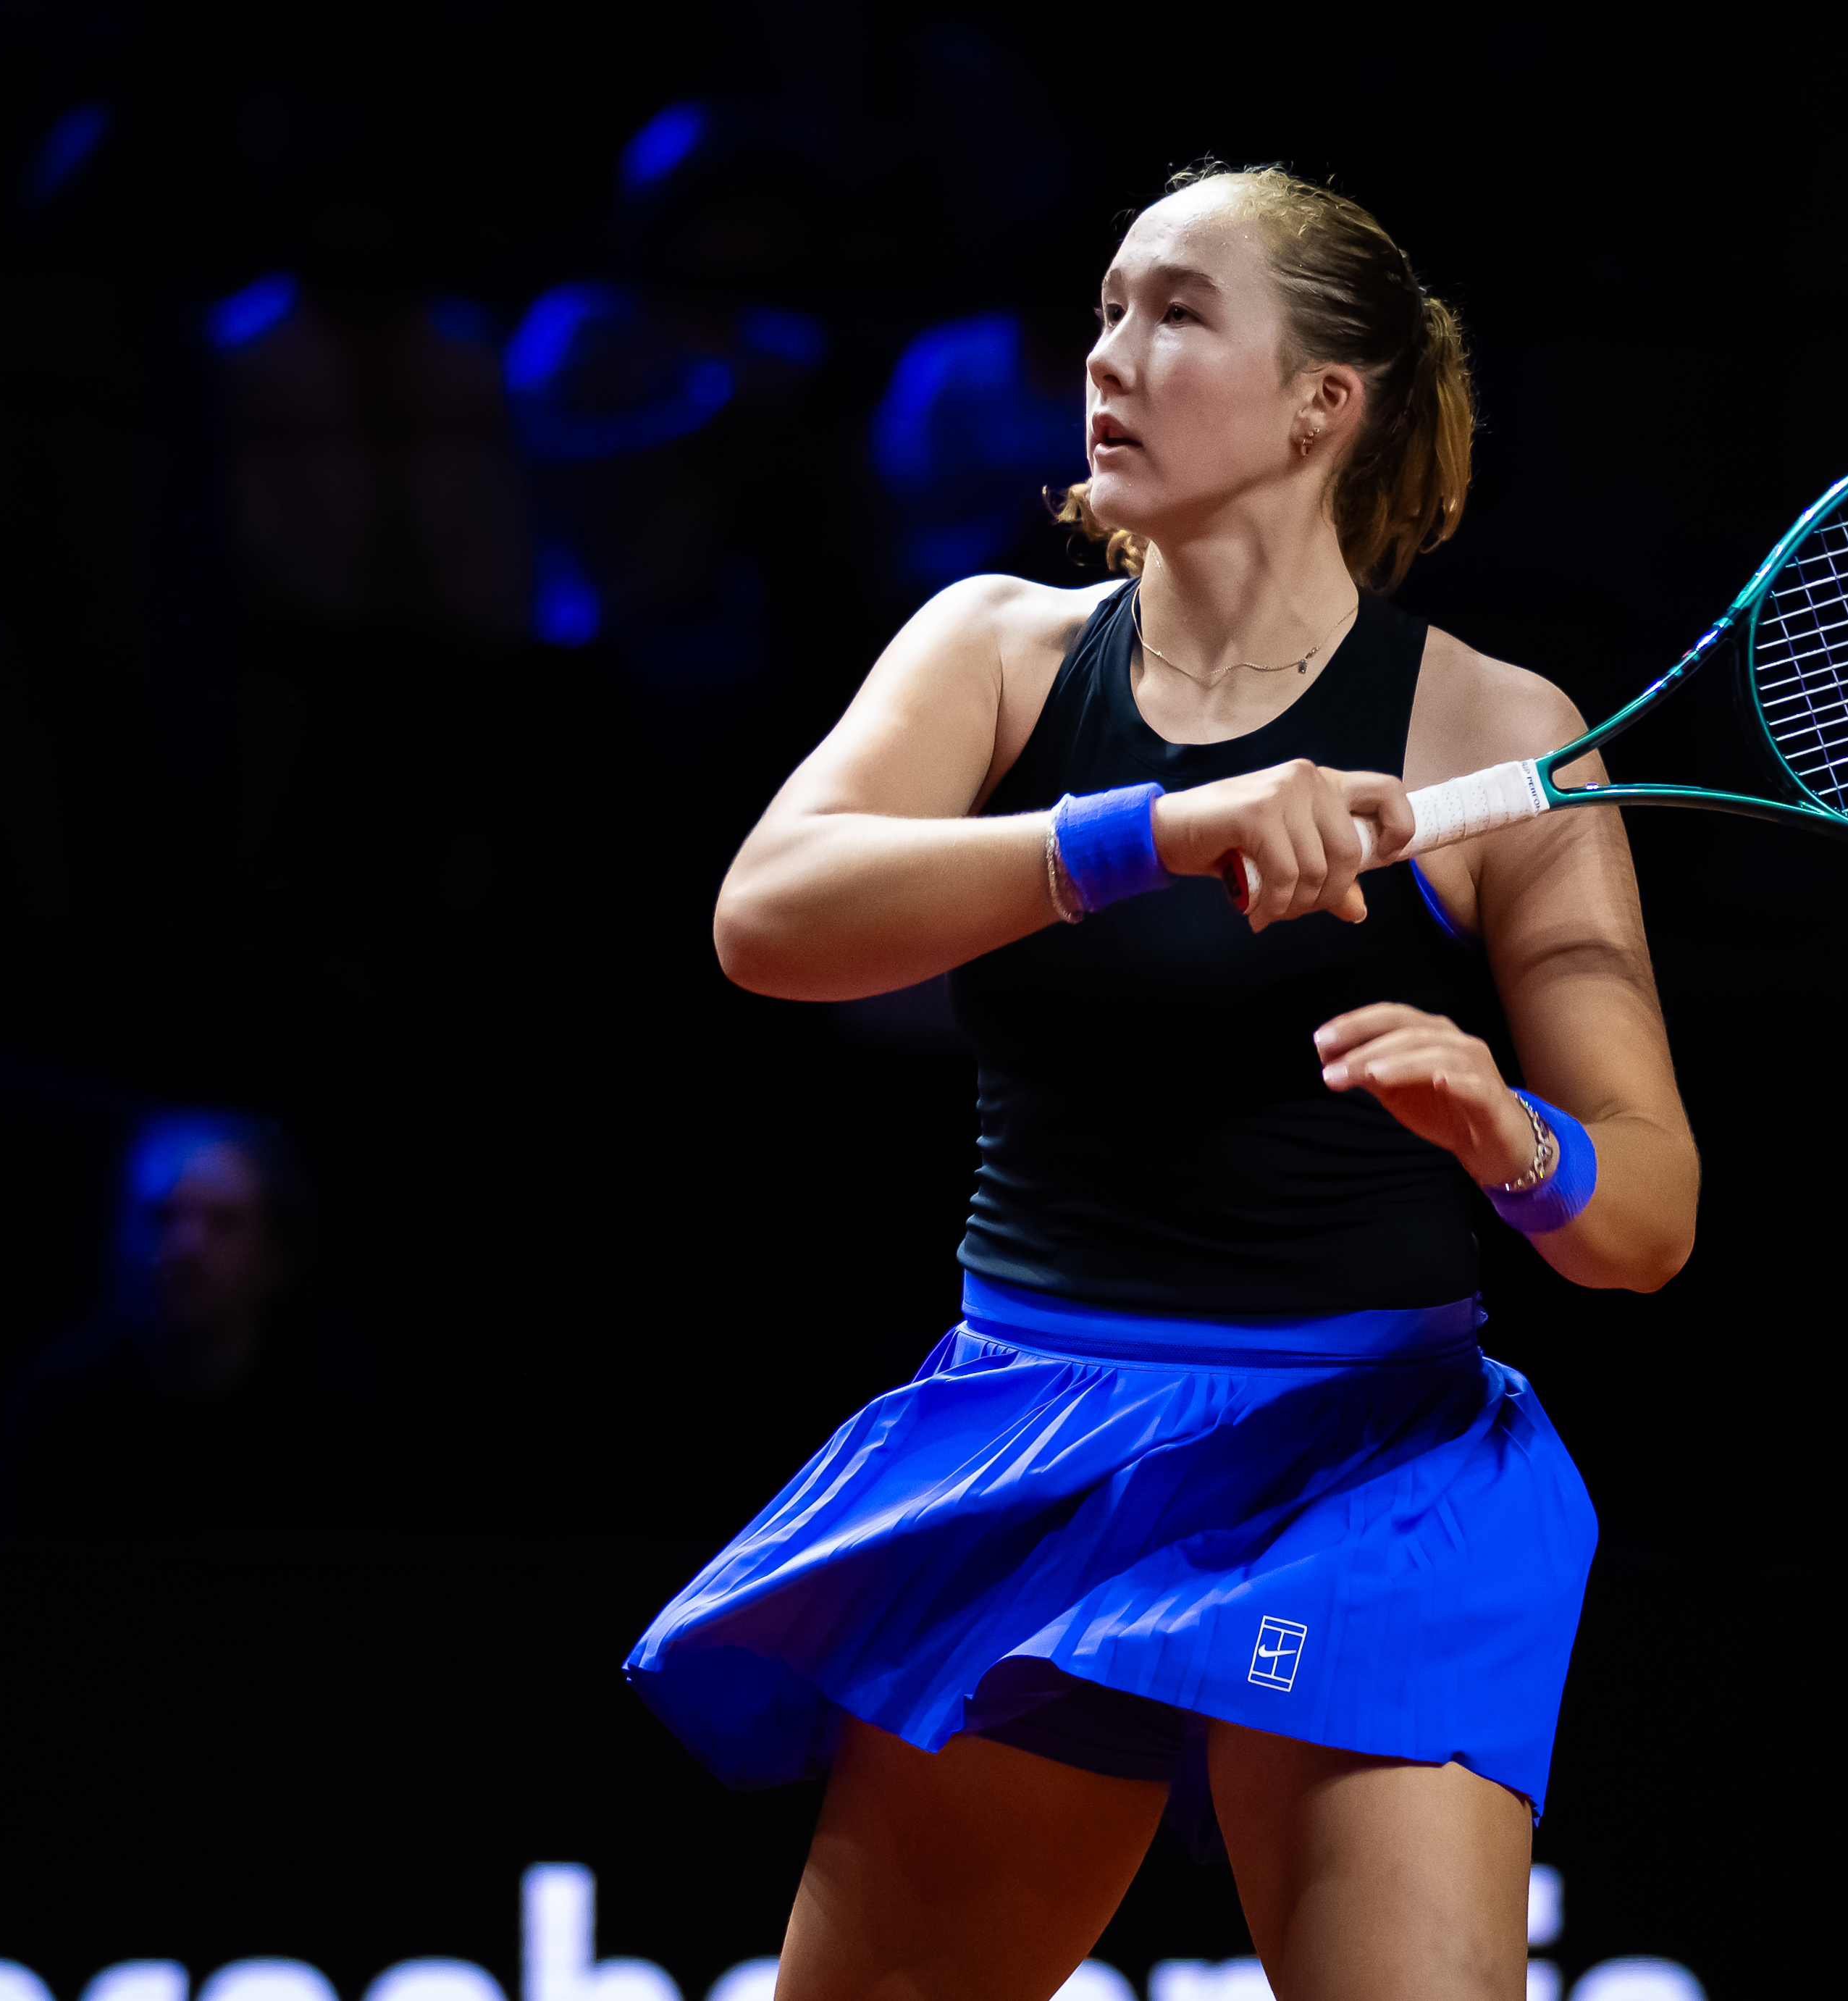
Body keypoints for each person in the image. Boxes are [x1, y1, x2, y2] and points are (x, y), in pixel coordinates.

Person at [623, 164, 1700, 2001]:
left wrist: (1504, 1128)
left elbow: (1645, 1222)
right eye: (1108, 309)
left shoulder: (1503, 737)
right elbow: (767, 917)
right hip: (1040, 1443)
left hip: (1376, 1467)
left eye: (1178, 313)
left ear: (1321, 402)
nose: (1108, 356)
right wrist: (1152, 832)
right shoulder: (995, 652)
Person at [0, 1109, 385, 1530]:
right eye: (161, 1216)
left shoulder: (339, 1414)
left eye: (224, 1221)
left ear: (276, 1253)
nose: (186, 1247)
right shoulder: (58, 1403)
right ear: (121, 1237)